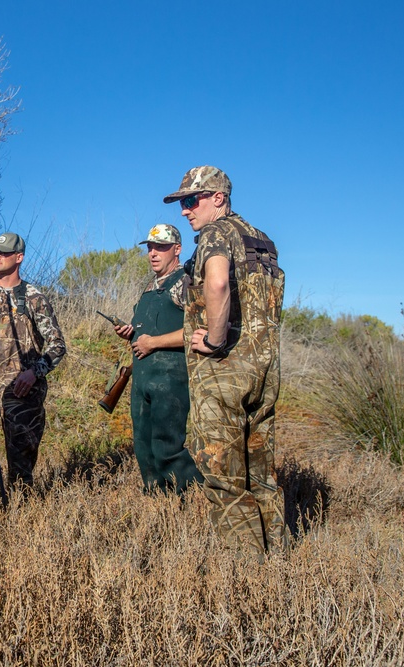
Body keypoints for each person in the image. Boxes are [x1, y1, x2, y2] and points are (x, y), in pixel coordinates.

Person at [163, 165, 287, 556]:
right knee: (261, 475)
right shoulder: (262, 241)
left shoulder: (215, 233)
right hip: (264, 370)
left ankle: (246, 578)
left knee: (225, 478)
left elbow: (217, 282)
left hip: (224, 374)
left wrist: (216, 342)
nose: (184, 210)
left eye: (190, 200)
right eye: (181, 202)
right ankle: (278, 562)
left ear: (219, 198)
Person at [113, 224, 202, 495]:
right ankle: (158, 503)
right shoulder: (149, 286)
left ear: (177, 249)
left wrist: (153, 343)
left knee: (167, 446)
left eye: (161, 247)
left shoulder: (186, 282)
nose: (153, 253)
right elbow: (146, 328)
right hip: (142, 377)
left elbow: (198, 331)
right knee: (143, 445)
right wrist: (130, 331)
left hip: (171, 377)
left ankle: (196, 499)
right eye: (150, 247)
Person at [0, 232, 66, 487]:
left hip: (21, 392)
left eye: (3, 253)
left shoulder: (34, 297)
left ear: (19, 257)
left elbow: (58, 345)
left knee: (21, 467)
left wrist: (34, 373)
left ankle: (20, 515)